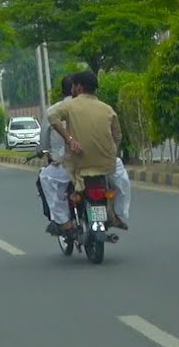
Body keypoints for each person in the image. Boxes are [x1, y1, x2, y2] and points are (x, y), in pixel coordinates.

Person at [46, 71, 125, 234]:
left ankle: (63, 221)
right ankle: (117, 214)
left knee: (47, 178)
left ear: (79, 87)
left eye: (73, 86)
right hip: (106, 165)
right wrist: (110, 153)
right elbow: (117, 135)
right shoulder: (107, 109)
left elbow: (52, 116)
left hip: (78, 165)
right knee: (122, 181)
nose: (72, 90)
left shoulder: (69, 106)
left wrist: (69, 140)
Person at [37, 76, 75, 225]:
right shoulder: (96, 108)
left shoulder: (53, 111)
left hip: (65, 164)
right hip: (95, 161)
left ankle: (62, 220)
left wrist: (42, 150)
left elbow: (44, 141)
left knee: (45, 178)